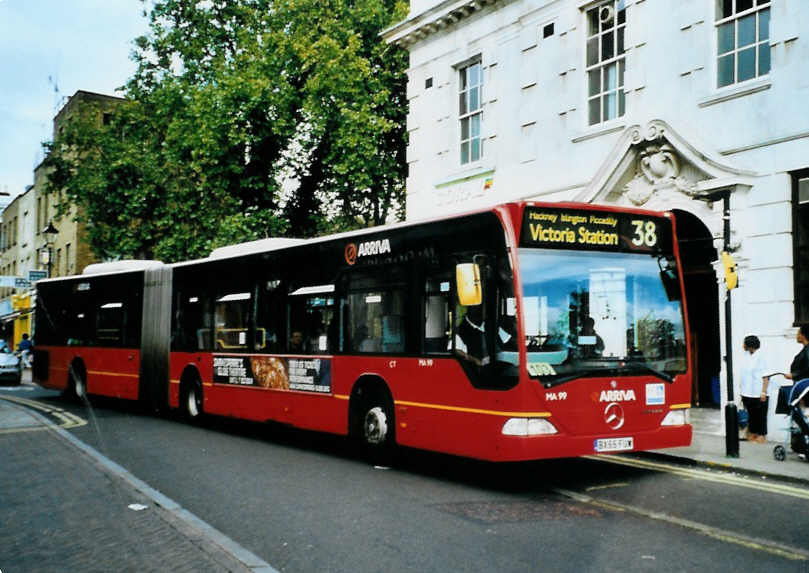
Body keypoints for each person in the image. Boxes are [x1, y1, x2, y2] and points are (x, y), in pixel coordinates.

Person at [740, 335, 770, 443]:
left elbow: (766, 376)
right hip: (747, 392)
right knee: (752, 415)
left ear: (749, 345)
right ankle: (753, 433)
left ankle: (762, 436)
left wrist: (764, 392)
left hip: (759, 392)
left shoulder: (762, 356)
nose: (743, 345)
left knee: (761, 415)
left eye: (744, 343)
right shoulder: (746, 355)